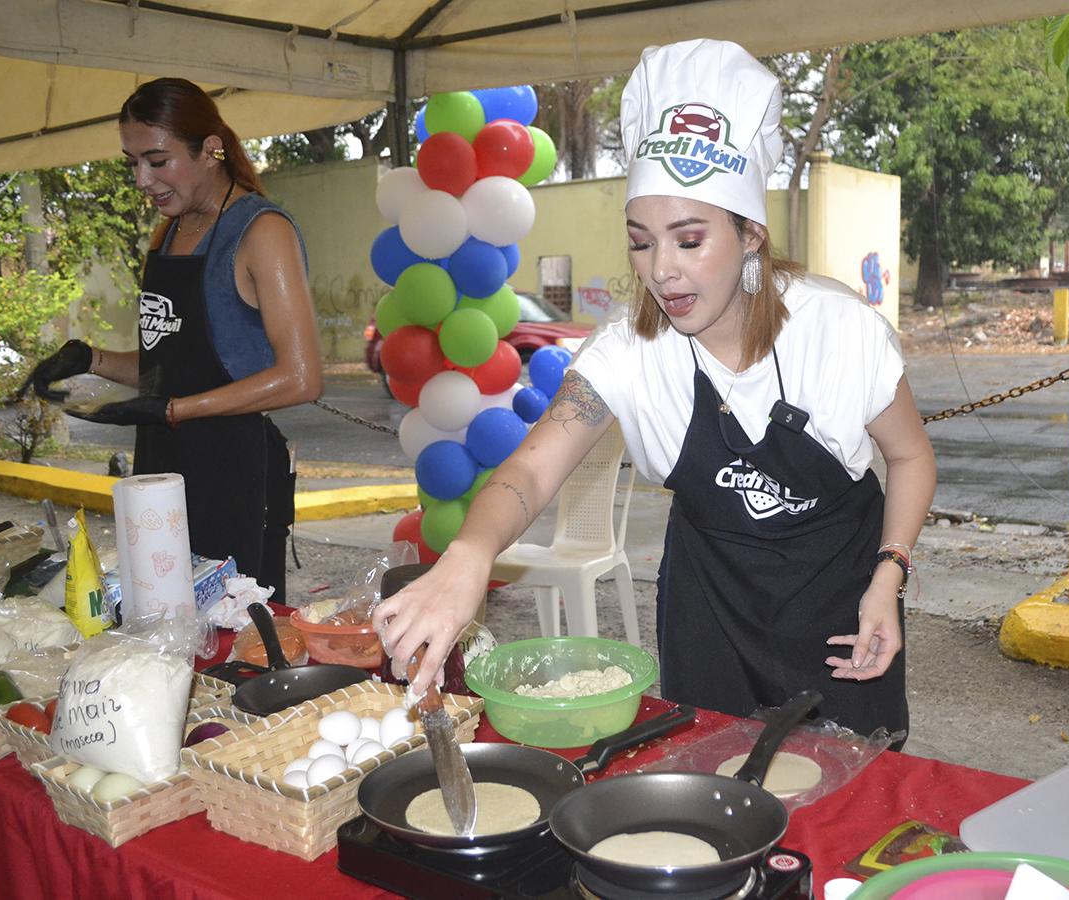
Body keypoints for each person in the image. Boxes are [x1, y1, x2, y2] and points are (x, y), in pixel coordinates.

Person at [374, 40, 935, 740]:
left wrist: (891, 574)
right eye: (642, 241)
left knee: (849, 800)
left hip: (841, 600)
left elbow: (911, 458)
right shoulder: (629, 352)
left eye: (689, 239)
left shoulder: (839, 332)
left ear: (751, 233)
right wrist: (467, 555)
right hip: (711, 602)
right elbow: (529, 468)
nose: (662, 271)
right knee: (711, 783)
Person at [20, 78, 323, 603]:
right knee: (160, 613)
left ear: (210, 150)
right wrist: (87, 359)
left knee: (226, 631)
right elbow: (172, 363)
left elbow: (301, 377)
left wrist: (177, 410)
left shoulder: (261, 231)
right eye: (132, 161)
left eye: (157, 161)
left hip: (232, 469)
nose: (141, 179)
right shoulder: (169, 232)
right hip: (161, 459)